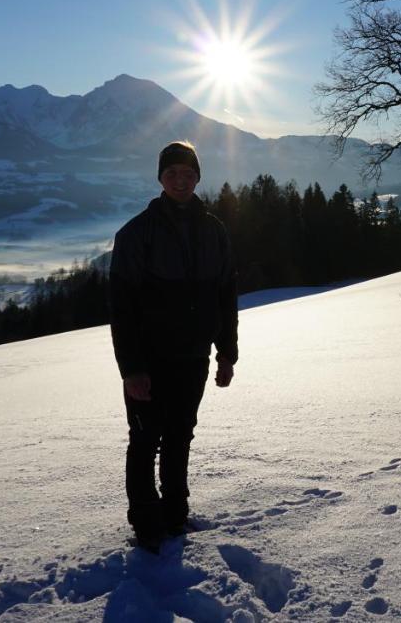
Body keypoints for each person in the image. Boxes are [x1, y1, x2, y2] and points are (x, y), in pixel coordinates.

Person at [109, 140, 238, 542]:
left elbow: (225, 297)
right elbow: (122, 307)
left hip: (193, 357)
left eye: (188, 174)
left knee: (181, 434)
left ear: (198, 177)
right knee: (145, 439)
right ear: (160, 179)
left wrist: (227, 354)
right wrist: (131, 369)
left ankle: (175, 512)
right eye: (172, 174)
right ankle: (146, 522)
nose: (180, 181)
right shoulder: (136, 234)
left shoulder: (214, 231)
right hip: (149, 360)